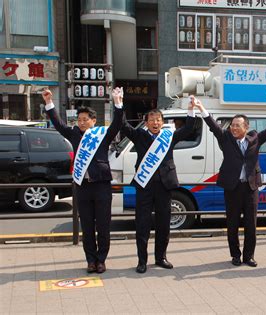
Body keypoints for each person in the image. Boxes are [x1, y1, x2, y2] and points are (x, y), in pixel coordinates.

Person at [192, 96, 266, 267]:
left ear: (246, 127)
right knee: (232, 223)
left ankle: (248, 256)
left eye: (238, 125)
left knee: (251, 224)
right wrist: (201, 108)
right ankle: (235, 255)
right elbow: (213, 126)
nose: (234, 128)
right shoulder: (225, 138)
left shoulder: (255, 139)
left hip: (250, 188)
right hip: (232, 187)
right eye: (232, 125)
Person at [42, 88, 123, 273]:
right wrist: (49, 103)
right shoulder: (74, 134)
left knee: (103, 226)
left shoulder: (102, 134)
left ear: (94, 121)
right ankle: (90, 261)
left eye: (85, 120)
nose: (82, 122)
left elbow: (117, 124)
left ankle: (101, 260)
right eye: (79, 120)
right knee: (86, 226)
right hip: (82, 187)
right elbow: (58, 124)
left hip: (102, 185)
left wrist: (118, 102)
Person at [115, 92, 196, 274]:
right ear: (146, 122)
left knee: (163, 224)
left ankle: (161, 258)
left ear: (162, 121)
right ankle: (142, 261)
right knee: (142, 224)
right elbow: (124, 126)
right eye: (151, 119)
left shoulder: (169, 136)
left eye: (158, 119)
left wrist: (191, 110)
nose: (155, 123)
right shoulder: (140, 136)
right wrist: (118, 104)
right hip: (144, 186)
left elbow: (188, 129)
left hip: (164, 185)